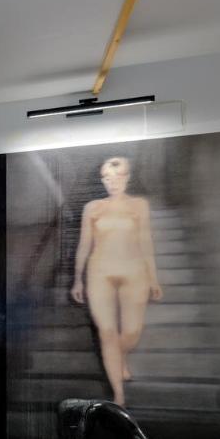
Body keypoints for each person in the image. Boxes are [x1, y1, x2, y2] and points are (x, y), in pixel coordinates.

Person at [70, 156, 162, 406]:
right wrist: (78, 279)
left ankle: (119, 357)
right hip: (100, 274)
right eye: (107, 178)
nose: (113, 182)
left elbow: (146, 242)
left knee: (132, 331)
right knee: (107, 333)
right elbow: (84, 245)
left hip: (134, 273)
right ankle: (118, 394)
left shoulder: (139, 205)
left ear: (128, 177)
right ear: (102, 180)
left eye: (119, 176)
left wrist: (153, 278)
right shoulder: (93, 208)